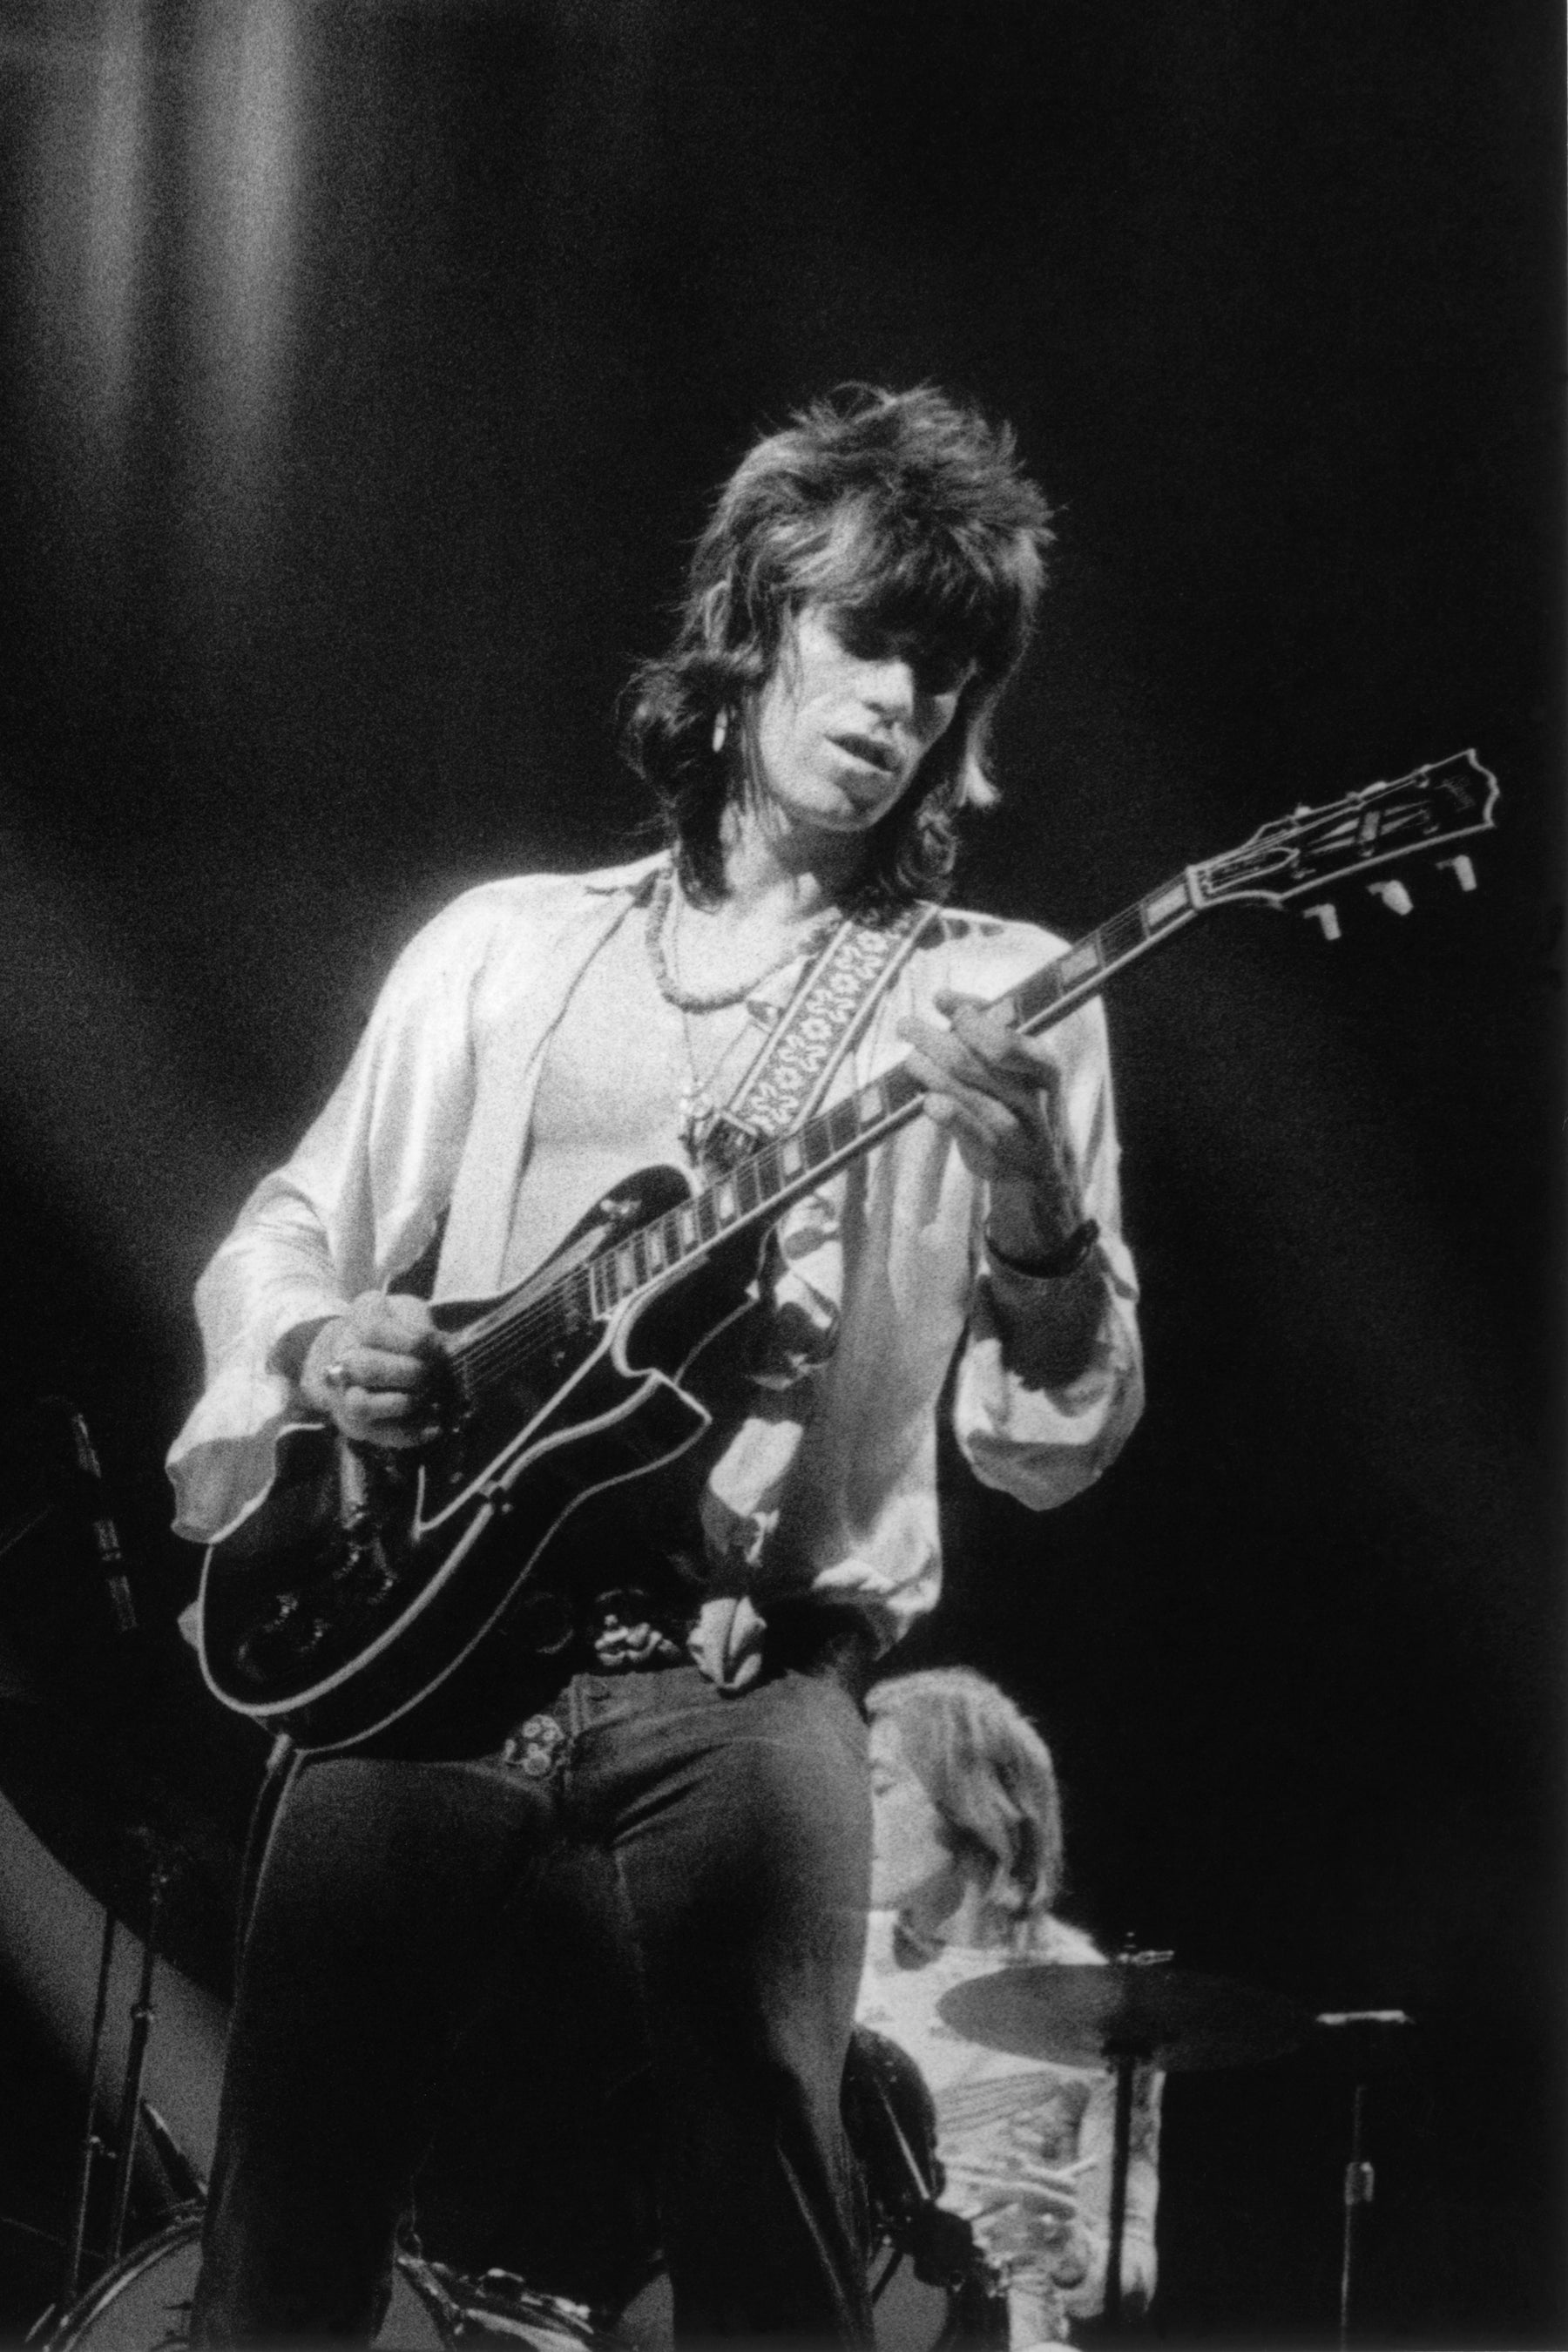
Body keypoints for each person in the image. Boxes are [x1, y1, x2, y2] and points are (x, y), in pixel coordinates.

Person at [166, 382, 1145, 2342]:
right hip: (428, 1630)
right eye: (868, 637)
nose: (902, 702)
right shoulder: (509, 944)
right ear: (754, 620)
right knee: (288, 2192)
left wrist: (1037, 1196)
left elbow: (1049, 1433)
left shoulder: (994, 989)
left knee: (766, 2187)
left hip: (746, 1671)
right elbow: (288, 1224)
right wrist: (323, 1343)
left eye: (948, 673)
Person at [854, 1667, 1157, 2346]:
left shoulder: (1103, 2006)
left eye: (879, 1786)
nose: (851, 1813)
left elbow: (1132, 2274)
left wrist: (1068, 2249)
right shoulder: (837, 1960)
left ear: (971, 1802)